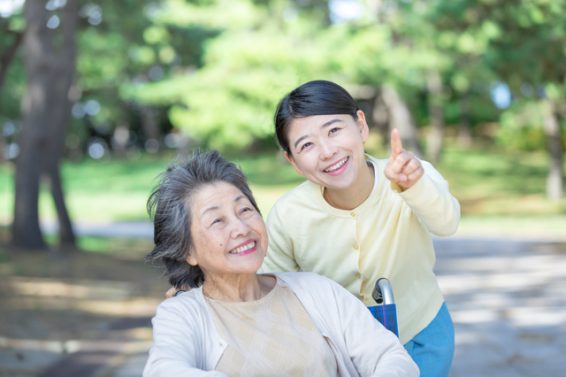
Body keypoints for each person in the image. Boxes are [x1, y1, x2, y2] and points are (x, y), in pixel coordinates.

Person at [143, 150, 419, 377]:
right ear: (187, 251)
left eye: (245, 210)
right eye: (217, 220)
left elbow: (390, 356)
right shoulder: (181, 315)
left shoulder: (317, 290)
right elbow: (163, 370)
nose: (240, 227)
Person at [260, 80, 460, 377]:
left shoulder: (408, 175)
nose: (327, 151)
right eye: (307, 145)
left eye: (334, 130)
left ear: (361, 126)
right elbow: (270, 289)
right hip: (338, 352)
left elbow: (447, 223)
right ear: (293, 161)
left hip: (420, 335)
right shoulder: (289, 214)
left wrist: (414, 187)